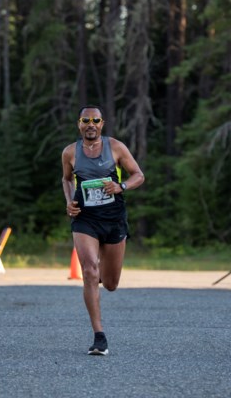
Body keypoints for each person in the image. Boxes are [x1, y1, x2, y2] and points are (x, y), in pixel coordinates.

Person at [62, 105, 144, 355]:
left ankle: (97, 279)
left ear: (102, 123)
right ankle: (99, 336)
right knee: (88, 270)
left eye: (95, 120)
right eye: (85, 120)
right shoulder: (70, 152)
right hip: (85, 218)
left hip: (113, 218)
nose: (90, 124)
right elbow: (66, 179)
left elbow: (138, 175)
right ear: (79, 124)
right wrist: (69, 202)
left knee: (110, 283)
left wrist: (121, 186)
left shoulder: (116, 147)